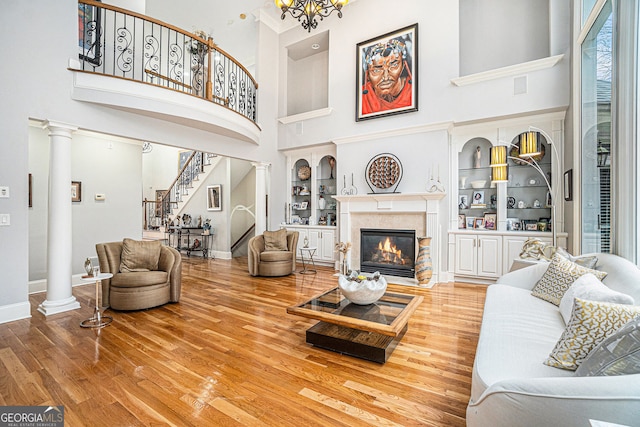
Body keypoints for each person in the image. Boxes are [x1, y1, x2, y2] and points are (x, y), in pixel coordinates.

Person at [360, 38, 413, 115]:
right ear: (367, 74)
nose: (386, 77)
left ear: (403, 66)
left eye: (394, 65)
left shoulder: (413, 90)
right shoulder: (362, 98)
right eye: (376, 70)